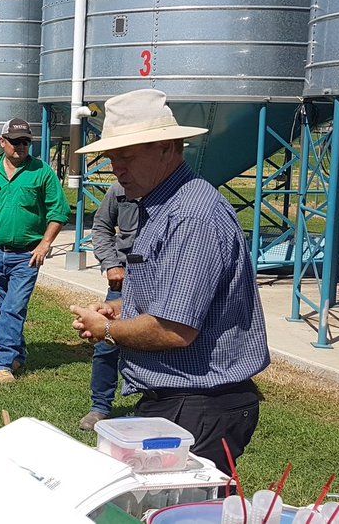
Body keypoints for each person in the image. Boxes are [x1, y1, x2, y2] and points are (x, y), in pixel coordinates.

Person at [70, 89, 269, 475]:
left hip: (199, 402)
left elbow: (174, 330)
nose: (117, 169)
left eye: (126, 156)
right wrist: (119, 309)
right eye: (112, 158)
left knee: (176, 503)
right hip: (187, 399)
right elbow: (172, 298)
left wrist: (107, 329)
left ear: (166, 148)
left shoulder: (190, 217)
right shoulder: (164, 205)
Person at [0, 118, 70, 384]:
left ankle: (2, 363)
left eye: (25, 141)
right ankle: (18, 353)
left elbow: (59, 211)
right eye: (15, 141)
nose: (21, 146)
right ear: (3, 142)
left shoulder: (42, 172)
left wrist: (45, 244)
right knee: (0, 308)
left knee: (13, 308)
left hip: (27, 256)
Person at [79, 181, 139, 431]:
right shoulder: (119, 190)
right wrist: (111, 264)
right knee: (106, 343)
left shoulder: (175, 192)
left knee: (160, 341)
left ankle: (156, 406)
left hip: (162, 281)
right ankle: (100, 407)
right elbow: (101, 227)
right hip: (123, 280)